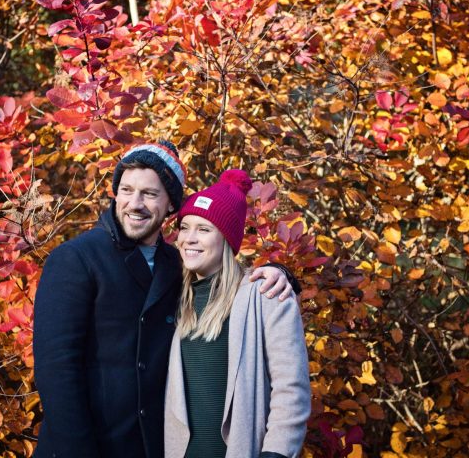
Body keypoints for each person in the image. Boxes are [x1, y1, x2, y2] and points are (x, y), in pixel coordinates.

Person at [33, 142, 296, 458]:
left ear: (171, 205)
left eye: (150, 194)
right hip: (86, 447)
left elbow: (223, 271)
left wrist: (278, 273)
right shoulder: (76, 259)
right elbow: (56, 370)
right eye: (127, 190)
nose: (135, 203)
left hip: (154, 448)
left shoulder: (177, 266)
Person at [164, 169, 310, 458]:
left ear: (226, 240)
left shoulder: (265, 294)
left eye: (204, 230)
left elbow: (291, 389)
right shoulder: (172, 298)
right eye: (185, 227)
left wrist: (276, 454)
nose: (189, 239)